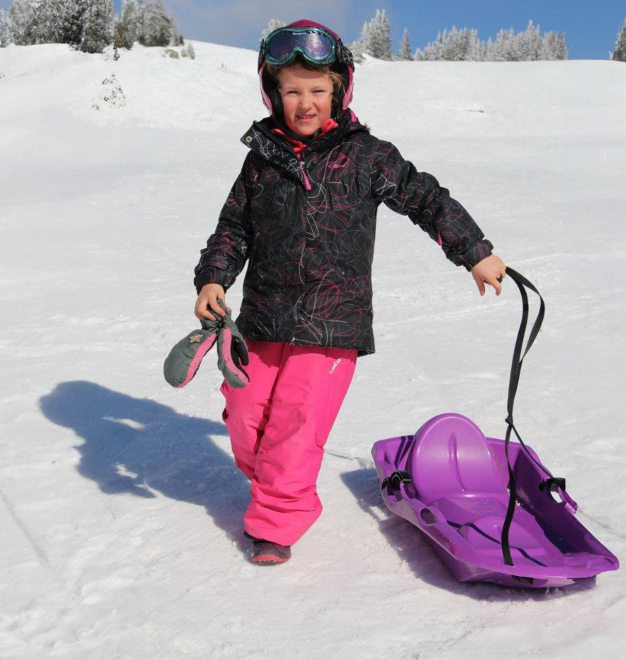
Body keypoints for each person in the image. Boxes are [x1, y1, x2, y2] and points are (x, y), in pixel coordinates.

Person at [193, 20, 507, 566]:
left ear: (339, 90)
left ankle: (276, 522)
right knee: (246, 416)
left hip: (333, 323)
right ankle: (273, 482)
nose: (305, 102)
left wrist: (473, 250)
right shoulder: (261, 158)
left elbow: (424, 198)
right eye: (292, 91)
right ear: (273, 93)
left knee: (295, 423)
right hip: (264, 316)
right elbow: (233, 226)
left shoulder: (367, 155)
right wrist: (214, 277)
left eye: (317, 90)